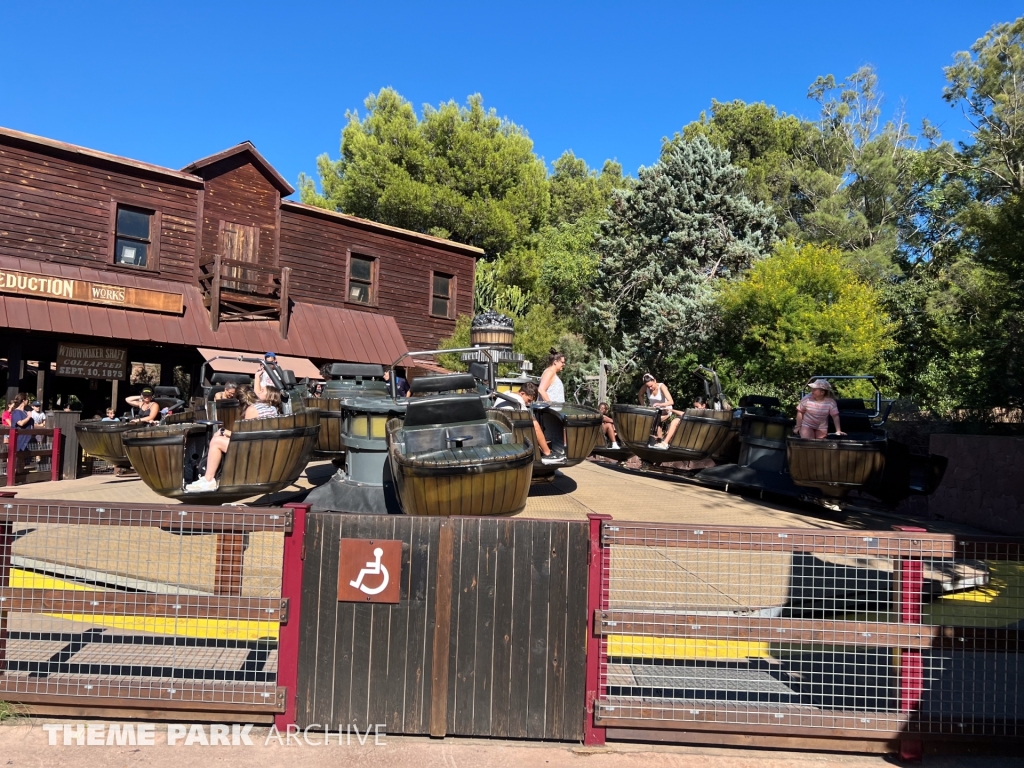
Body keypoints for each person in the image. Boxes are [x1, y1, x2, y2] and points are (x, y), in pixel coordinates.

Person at [185, 386, 281, 493]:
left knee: (217, 441)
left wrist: (225, 432)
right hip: (263, 448)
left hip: (253, 451)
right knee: (219, 437)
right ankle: (208, 477)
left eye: (262, 391)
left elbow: (245, 436)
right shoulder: (272, 409)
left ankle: (208, 480)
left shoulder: (253, 409)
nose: (258, 391)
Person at [639, 374, 680, 449]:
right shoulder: (646, 386)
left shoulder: (662, 386)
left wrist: (661, 404)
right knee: (648, 418)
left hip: (666, 410)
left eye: (651, 386)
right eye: (648, 387)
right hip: (655, 411)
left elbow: (671, 401)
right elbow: (640, 395)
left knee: (654, 420)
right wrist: (643, 405)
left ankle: (660, 440)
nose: (650, 388)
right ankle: (658, 440)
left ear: (654, 380)